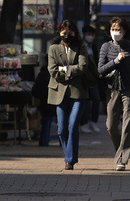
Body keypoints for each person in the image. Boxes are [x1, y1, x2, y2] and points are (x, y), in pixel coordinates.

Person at [98, 16, 130, 171]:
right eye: (113, 29)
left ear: (124, 31)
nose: (116, 32)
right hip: (112, 89)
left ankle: (122, 158)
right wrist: (115, 62)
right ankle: (119, 151)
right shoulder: (105, 47)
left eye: (119, 30)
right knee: (110, 126)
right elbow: (100, 70)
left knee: (128, 123)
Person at [47, 19, 90, 170]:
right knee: (61, 129)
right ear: (59, 33)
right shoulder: (53, 49)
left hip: (78, 92)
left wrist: (64, 69)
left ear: (75, 33)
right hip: (59, 92)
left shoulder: (80, 47)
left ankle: (70, 160)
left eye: (70, 32)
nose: (67, 35)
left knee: (73, 125)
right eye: (64, 32)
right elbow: (52, 71)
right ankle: (69, 155)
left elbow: (83, 66)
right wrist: (71, 70)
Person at [79, 25, 101, 134]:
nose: (90, 37)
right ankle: (84, 123)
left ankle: (94, 122)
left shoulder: (94, 48)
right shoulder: (80, 47)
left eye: (92, 35)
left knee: (96, 100)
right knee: (85, 102)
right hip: (82, 79)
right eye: (88, 34)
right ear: (84, 35)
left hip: (93, 78)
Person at [31, 60, 57, 146]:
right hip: (59, 105)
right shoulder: (62, 73)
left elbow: (35, 91)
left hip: (45, 106)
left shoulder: (42, 74)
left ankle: (44, 143)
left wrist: (42, 97)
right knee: (62, 124)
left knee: (46, 124)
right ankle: (63, 142)